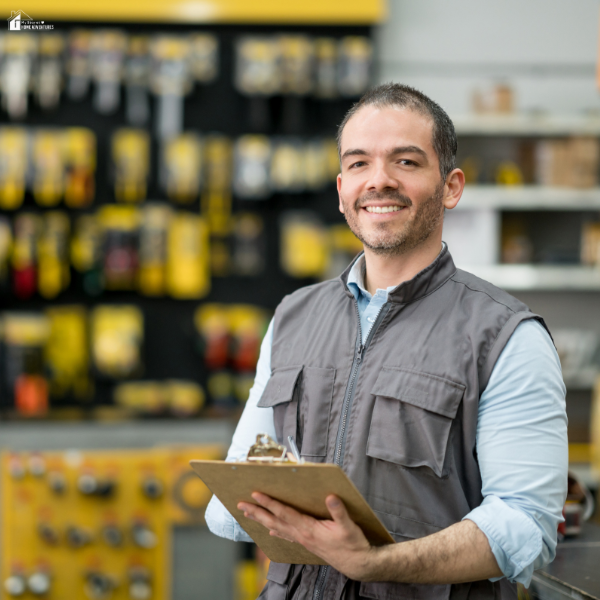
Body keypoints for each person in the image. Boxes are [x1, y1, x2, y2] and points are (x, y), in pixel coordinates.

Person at [206, 83, 568, 600]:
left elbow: (525, 527)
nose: (379, 181)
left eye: (405, 161)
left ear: (451, 187)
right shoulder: (292, 318)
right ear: (340, 190)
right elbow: (234, 499)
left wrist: (375, 562)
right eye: (358, 164)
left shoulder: (506, 337)